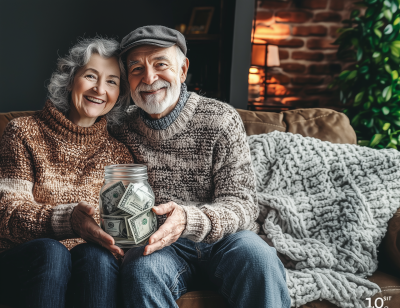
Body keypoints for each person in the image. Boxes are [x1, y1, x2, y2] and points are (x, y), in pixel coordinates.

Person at [112, 25, 291, 308]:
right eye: (136, 69)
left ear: (183, 70)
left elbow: (243, 204)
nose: (149, 77)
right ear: (127, 79)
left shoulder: (220, 119)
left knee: (260, 258)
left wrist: (190, 218)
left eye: (161, 64)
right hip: (161, 245)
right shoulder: (119, 127)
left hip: (226, 240)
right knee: (140, 272)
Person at [0, 37, 133, 308]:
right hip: (25, 260)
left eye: (111, 81)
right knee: (53, 251)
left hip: (89, 266)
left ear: (119, 93)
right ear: (71, 78)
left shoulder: (119, 155)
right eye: (91, 76)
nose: (99, 88)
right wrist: (68, 221)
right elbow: (7, 214)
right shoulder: (23, 132)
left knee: (98, 257)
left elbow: (123, 233)